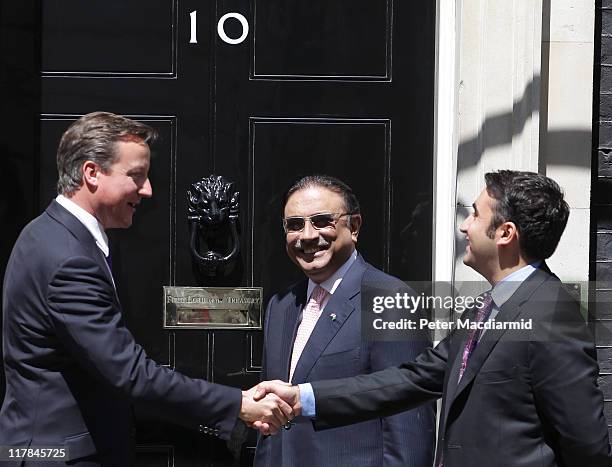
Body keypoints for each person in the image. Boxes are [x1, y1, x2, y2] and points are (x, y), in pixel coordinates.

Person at [255, 171, 612, 467]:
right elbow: (412, 380)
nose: (464, 227)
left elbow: (587, 446)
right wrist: (303, 398)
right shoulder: (487, 308)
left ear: (505, 234)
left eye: (474, 215)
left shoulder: (550, 312)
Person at [0, 112, 292, 466]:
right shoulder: (68, 259)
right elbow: (130, 373)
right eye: (136, 176)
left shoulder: (49, 233)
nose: (148, 189)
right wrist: (238, 404)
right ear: (92, 173)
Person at [253, 175, 436, 467]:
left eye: (322, 221)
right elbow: (271, 422)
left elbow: (408, 426)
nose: (308, 236)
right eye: (295, 225)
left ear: (354, 227)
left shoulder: (388, 299)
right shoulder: (281, 305)